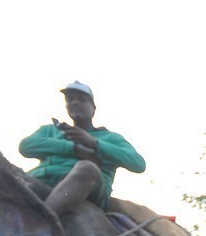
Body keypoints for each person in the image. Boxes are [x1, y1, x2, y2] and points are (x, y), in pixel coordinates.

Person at [19, 81, 145, 216]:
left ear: (93, 108)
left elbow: (138, 164)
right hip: (39, 180)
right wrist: (73, 148)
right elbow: (25, 146)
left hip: (85, 189)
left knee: (87, 168)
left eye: (82, 100)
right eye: (70, 100)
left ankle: (44, 221)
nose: (74, 103)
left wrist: (94, 143)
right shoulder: (50, 130)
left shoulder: (111, 138)